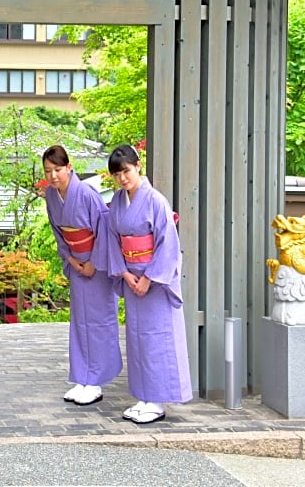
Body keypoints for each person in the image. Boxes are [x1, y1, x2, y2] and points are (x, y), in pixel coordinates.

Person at [105, 144, 192, 424]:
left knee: (157, 338)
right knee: (137, 338)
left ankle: (157, 401)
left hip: (154, 280)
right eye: (117, 174)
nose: (122, 179)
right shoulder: (117, 202)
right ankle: (143, 397)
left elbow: (168, 243)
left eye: (126, 171)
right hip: (132, 278)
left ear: (138, 166)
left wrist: (148, 278)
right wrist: (126, 274)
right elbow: (112, 240)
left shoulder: (156, 201)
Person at [42, 145, 122, 406]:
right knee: (80, 322)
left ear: (69, 167)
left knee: (99, 321)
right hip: (76, 262)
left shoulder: (86, 193)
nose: (53, 176)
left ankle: (96, 381)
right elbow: (58, 231)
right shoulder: (50, 196)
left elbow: (104, 228)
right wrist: (71, 259)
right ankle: (82, 378)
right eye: (48, 171)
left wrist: (93, 263)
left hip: (96, 266)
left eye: (57, 169)